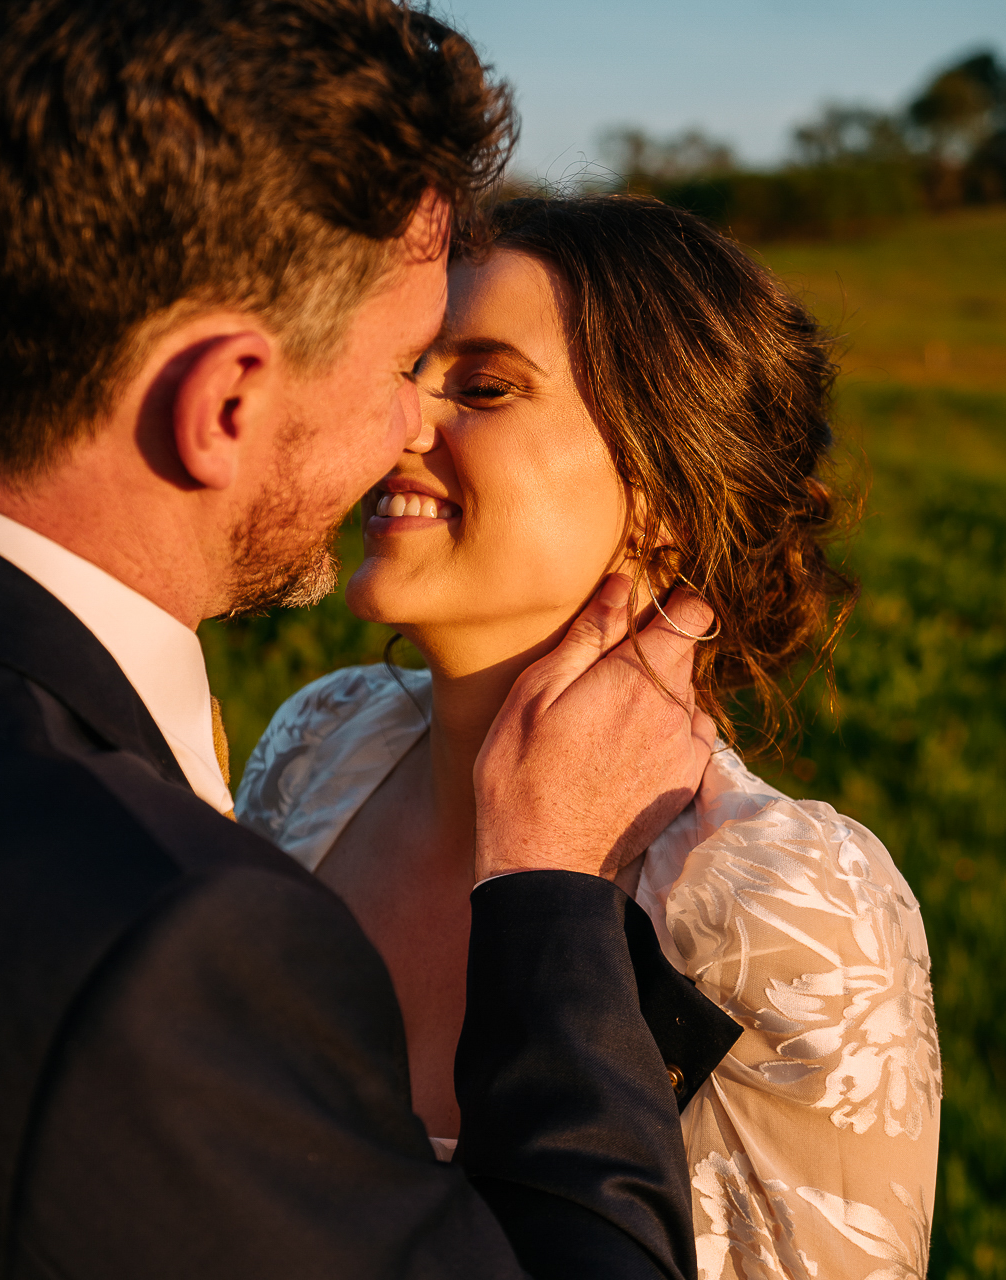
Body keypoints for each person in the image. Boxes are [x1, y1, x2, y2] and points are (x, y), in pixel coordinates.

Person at [0, 5, 744, 1277]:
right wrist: (556, 893)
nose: (409, 421)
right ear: (224, 402)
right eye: (402, 362)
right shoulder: (166, 943)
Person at [237, 195, 944, 1280]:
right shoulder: (322, 741)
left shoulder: (783, 900)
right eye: (405, 371)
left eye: (483, 386)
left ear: (663, 490)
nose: (396, 423)